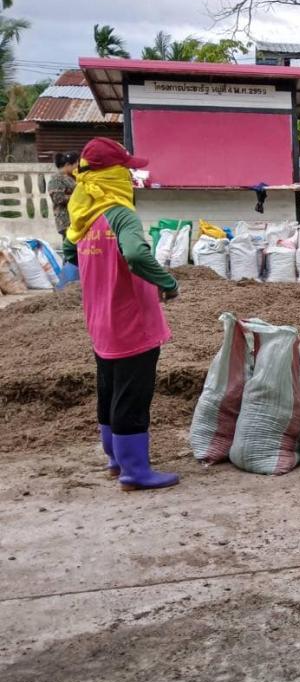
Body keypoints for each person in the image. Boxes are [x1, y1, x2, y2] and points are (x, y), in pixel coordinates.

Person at [60, 137, 179, 490]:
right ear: (113, 174)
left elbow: (69, 252)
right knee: (132, 395)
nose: (129, 177)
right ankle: (135, 472)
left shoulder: (83, 214)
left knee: (109, 389)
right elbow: (138, 256)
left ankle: (115, 460)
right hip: (132, 324)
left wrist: (99, 272)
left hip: (100, 322)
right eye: (125, 170)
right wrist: (168, 283)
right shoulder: (120, 214)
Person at [48, 152, 78, 242]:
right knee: (70, 247)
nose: (77, 167)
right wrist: (78, 197)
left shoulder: (70, 177)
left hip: (74, 219)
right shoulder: (56, 178)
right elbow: (58, 198)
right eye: (76, 165)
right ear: (68, 165)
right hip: (65, 220)